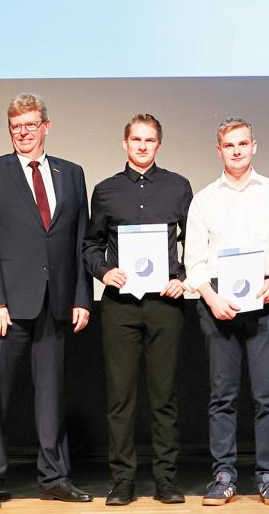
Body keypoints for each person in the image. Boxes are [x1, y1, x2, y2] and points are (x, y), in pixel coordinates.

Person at [0, 93, 92, 508]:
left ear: (46, 126)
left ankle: (54, 476)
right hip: (7, 305)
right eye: (15, 127)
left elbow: (79, 241)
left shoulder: (72, 173)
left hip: (56, 302)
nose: (22, 133)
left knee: (51, 394)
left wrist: (81, 298)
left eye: (29, 125)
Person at [183, 117, 269, 506]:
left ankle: (268, 475)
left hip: (268, 299)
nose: (236, 150)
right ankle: (223, 475)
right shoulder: (204, 199)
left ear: (254, 146)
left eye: (242, 143)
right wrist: (211, 297)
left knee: (268, 394)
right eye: (228, 145)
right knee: (223, 394)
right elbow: (194, 262)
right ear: (219, 151)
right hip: (218, 302)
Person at [83, 114, 193, 506]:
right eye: (136, 140)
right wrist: (104, 270)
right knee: (121, 397)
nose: (143, 146)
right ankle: (123, 481)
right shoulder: (106, 190)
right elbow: (91, 244)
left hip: (166, 303)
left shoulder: (178, 187)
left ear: (158, 145)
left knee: (164, 396)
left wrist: (184, 277)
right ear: (124, 143)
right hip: (121, 306)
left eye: (150, 140)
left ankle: (166, 479)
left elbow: (194, 244)